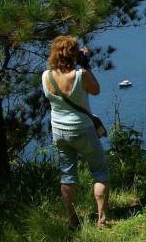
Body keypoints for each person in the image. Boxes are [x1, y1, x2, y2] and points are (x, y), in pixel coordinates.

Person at [42, 35, 110, 229]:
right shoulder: (81, 75)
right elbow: (96, 90)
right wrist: (85, 63)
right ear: (74, 53)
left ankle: (72, 219)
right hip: (82, 129)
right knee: (99, 171)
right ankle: (102, 220)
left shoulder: (46, 76)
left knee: (67, 175)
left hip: (59, 131)